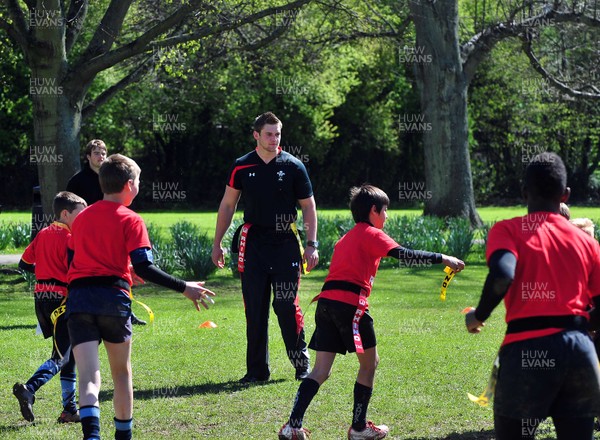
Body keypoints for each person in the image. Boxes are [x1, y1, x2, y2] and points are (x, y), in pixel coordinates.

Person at [278, 184, 465, 440]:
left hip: (325, 304)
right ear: (373, 210)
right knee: (370, 364)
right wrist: (444, 258)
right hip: (349, 305)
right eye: (385, 210)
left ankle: (292, 426)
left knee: (320, 371)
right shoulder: (371, 233)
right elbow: (405, 255)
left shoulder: (346, 238)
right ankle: (358, 428)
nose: (387, 216)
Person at [66, 154, 216, 440]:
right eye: (139, 182)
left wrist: (124, 268)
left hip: (80, 299)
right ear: (129, 185)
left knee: (87, 376)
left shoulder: (82, 217)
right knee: (121, 374)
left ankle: (92, 437)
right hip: (112, 298)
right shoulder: (131, 219)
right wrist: (184, 287)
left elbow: (76, 258)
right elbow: (145, 266)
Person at [465, 152, 600, 440]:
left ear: (524, 191)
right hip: (579, 352)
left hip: (525, 351)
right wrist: (578, 322)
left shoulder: (508, 230)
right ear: (565, 195)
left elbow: (503, 275)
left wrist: (478, 315)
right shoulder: (587, 242)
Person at [212, 112, 319, 383]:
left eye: (278, 134)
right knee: (255, 308)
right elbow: (227, 205)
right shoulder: (242, 166)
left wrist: (311, 244)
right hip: (254, 246)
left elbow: (308, 207)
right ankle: (257, 371)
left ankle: (301, 365)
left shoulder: (294, 166)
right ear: (256, 135)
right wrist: (217, 243)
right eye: (269, 134)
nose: (274, 139)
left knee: (286, 305)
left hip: (285, 245)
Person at [13, 191, 87, 423]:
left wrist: (45, 275)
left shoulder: (43, 233)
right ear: (65, 213)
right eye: (80, 214)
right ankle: (29, 388)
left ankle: (69, 410)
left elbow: (24, 263)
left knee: (69, 354)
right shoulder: (70, 239)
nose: (83, 219)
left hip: (42, 299)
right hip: (62, 301)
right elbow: (77, 272)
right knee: (60, 356)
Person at [67, 139, 146, 325]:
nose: (101, 156)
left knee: (122, 266)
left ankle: (126, 309)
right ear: (88, 157)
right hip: (90, 228)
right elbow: (69, 205)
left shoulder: (113, 177)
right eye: (96, 153)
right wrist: (182, 287)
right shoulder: (78, 181)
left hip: (112, 226)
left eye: (103, 153)